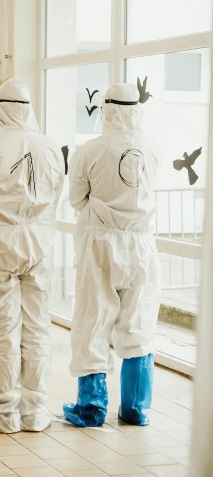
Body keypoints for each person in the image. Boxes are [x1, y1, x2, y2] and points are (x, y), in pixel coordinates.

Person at [0, 79, 64, 434]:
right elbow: (56, 194)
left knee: (1, 328)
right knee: (37, 327)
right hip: (39, 246)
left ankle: (5, 411)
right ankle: (35, 410)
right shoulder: (50, 148)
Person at [64, 83, 161, 427]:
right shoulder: (152, 149)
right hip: (143, 247)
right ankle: (135, 407)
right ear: (137, 109)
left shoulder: (89, 151)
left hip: (100, 245)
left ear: (106, 109)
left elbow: (77, 200)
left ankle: (91, 407)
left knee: (93, 319)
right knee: (139, 322)